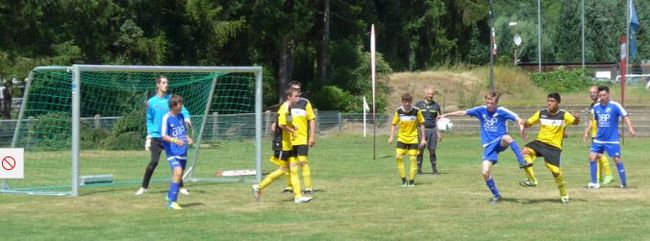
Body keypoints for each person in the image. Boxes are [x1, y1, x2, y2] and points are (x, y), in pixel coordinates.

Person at [439, 91, 529, 204]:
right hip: (488, 146)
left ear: (496, 103)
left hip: (500, 141)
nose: (489, 105)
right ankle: (497, 195)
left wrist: (521, 128)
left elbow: (518, 119)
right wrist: (446, 115)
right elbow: (463, 112)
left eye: (491, 103)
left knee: (507, 137)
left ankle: (521, 161)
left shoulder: (502, 111)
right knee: (485, 172)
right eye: (487, 103)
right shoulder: (481, 110)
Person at [252, 88, 313, 203]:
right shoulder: (285, 107)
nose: (298, 98)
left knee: (293, 170)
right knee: (283, 170)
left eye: (298, 96)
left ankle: (298, 197)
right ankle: (258, 187)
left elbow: (287, 122)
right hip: (283, 145)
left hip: (288, 144)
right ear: (289, 97)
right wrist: (292, 130)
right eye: (295, 96)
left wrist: (292, 127)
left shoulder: (289, 108)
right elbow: (281, 124)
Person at [518, 93, 580, 204]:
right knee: (524, 151)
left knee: (556, 172)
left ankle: (564, 194)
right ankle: (532, 180)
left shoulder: (563, 114)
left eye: (552, 101)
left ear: (558, 103)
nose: (549, 103)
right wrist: (524, 123)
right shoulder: (541, 113)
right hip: (540, 142)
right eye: (548, 100)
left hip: (554, 147)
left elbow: (575, 122)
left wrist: (577, 118)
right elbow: (528, 123)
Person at [135, 75, 192, 195]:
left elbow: (184, 110)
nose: (166, 85)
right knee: (154, 161)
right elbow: (149, 119)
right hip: (157, 137)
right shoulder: (151, 102)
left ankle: (181, 188)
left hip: (170, 137)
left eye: (167, 83)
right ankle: (143, 187)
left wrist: (186, 118)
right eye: (164, 83)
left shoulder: (171, 99)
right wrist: (149, 136)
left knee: (175, 163)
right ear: (158, 85)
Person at [584, 86, 636, 189]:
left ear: (608, 95)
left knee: (617, 159)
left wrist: (630, 128)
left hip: (612, 140)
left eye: (604, 95)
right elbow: (593, 121)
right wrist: (587, 132)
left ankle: (624, 183)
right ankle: (594, 183)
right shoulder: (596, 107)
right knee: (592, 157)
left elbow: (625, 116)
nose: (602, 97)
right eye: (600, 95)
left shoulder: (615, 106)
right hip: (599, 139)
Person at [281, 81, 317, 194]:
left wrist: (312, 136)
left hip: (302, 138)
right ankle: (289, 186)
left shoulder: (305, 103)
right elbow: (282, 118)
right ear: (290, 91)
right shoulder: (286, 104)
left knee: (302, 161)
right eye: (294, 89)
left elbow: (311, 119)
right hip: (288, 140)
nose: (297, 92)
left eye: (299, 89)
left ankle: (308, 187)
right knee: (290, 164)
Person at [161, 95, 193, 210]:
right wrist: (175, 140)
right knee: (178, 172)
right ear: (174, 105)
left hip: (182, 151)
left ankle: (169, 195)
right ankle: (172, 202)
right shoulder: (166, 118)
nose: (182, 106)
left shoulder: (181, 116)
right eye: (180, 104)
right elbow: (164, 136)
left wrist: (187, 138)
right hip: (171, 151)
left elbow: (183, 132)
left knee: (179, 175)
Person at [388, 93, 427, 187]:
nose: (407, 104)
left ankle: (412, 180)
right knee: (398, 157)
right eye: (405, 102)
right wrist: (391, 136)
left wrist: (423, 139)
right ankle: (403, 179)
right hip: (402, 138)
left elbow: (422, 124)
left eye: (409, 101)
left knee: (413, 159)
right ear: (402, 102)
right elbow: (394, 124)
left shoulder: (417, 111)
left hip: (413, 138)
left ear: (411, 102)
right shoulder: (398, 111)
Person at [582, 86, 614, 185]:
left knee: (598, 154)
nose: (592, 94)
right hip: (594, 134)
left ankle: (609, 174)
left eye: (594, 92)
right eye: (590, 92)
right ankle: (599, 177)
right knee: (596, 156)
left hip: (602, 133)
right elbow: (592, 121)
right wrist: (586, 132)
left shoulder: (603, 104)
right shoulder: (593, 106)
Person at [415, 87, 442, 175]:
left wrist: (438, 132)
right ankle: (419, 170)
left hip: (432, 130)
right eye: (429, 94)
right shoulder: (418, 105)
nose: (430, 96)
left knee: (432, 150)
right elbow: (414, 118)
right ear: (425, 94)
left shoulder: (436, 106)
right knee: (420, 150)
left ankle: (434, 170)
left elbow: (439, 120)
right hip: (420, 130)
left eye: (432, 94)